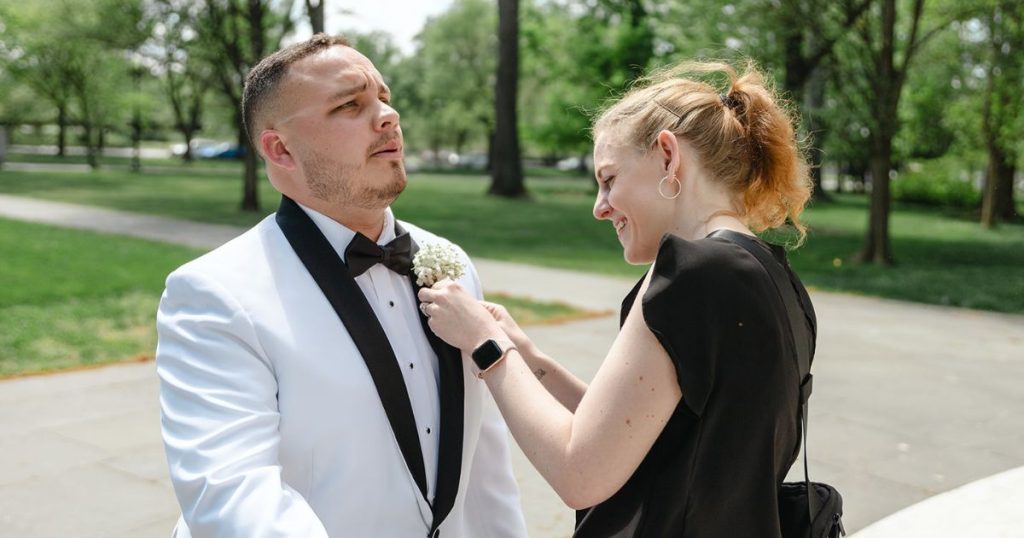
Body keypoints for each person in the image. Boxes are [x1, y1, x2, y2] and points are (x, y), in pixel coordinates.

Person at [419, 60, 815, 537]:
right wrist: (529, 358)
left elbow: (579, 473)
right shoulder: (775, 275)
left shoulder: (693, 274)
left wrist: (485, 345)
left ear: (668, 157)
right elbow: (649, 433)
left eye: (609, 179)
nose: (599, 207)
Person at [155, 34, 527, 538]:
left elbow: (485, 455)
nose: (387, 117)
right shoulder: (214, 293)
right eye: (350, 105)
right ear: (280, 148)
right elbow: (234, 500)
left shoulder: (452, 262)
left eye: (384, 99)